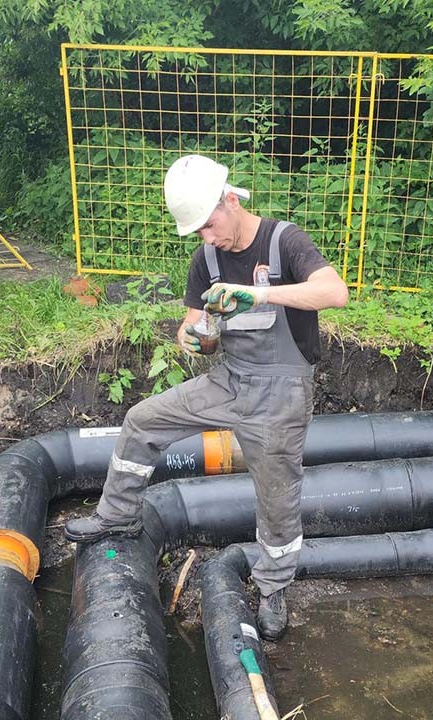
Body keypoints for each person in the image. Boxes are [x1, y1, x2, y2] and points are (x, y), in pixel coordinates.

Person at [64, 154, 348, 640]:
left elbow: (334, 291)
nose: (208, 238)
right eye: (197, 232)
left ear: (231, 199)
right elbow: (194, 326)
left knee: (277, 497)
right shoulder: (207, 260)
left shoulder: (284, 242)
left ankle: (274, 586)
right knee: (142, 420)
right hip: (229, 379)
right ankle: (116, 517)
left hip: (281, 392)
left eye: (210, 224)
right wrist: (195, 338)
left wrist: (259, 295)